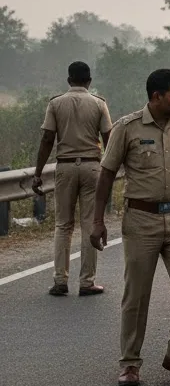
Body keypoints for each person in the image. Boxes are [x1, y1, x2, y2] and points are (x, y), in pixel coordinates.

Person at [91, 69, 170, 386]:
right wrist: (97, 220)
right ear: (156, 97)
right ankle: (130, 363)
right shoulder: (127, 128)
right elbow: (106, 174)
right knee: (137, 295)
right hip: (140, 220)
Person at [31, 61, 112, 297]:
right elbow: (109, 137)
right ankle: (87, 282)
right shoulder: (99, 104)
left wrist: (37, 173)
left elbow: (47, 139)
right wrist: (111, 169)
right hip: (92, 166)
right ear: (89, 81)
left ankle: (60, 281)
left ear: (69, 80)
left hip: (65, 166)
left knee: (63, 225)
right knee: (89, 223)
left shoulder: (56, 103)